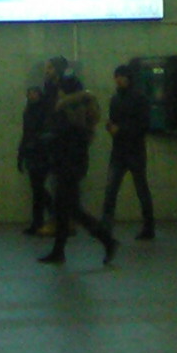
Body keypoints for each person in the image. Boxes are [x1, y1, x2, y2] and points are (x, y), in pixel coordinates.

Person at [37, 78, 119, 266]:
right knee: (65, 209)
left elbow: (63, 135)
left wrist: (48, 139)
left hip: (65, 163)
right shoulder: (84, 108)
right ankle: (59, 251)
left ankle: (107, 241)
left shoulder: (68, 109)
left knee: (71, 209)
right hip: (76, 163)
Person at [101, 63, 157, 241]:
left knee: (135, 189)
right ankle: (108, 226)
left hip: (130, 150)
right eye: (116, 76)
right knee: (114, 190)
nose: (118, 80)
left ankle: (147, 226)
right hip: (125, 150)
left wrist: (119, 130)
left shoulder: (137, 98)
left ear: (128, 78)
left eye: (121, 76)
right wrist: (112, 128)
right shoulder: (118, 99)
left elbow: (143, 125)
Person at [18, 84, 55, 236]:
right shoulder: (29, 111)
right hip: (32, 153)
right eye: (30, 93)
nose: (32, 96)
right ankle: (40, 221)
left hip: (41, 153)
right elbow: (25, 133)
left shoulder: (44, 111)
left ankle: (44, 217)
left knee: (38, 188)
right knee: (37, 189)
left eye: (34, 93)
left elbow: (46, 132)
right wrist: (21, 155)